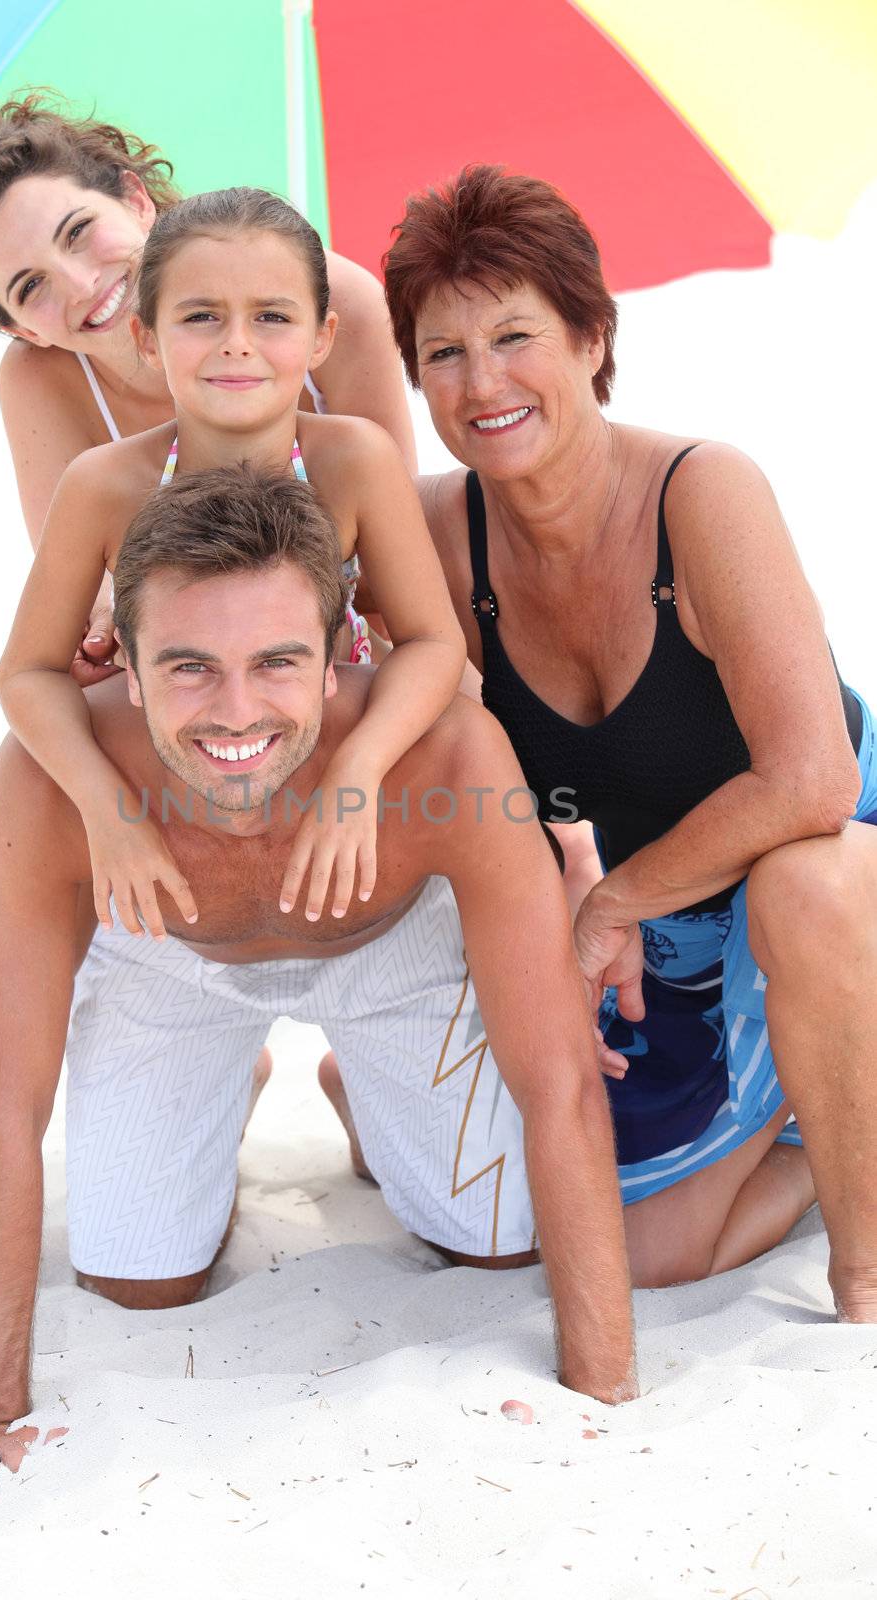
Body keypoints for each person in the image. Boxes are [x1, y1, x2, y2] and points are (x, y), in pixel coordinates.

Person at [0, 465, 636, 1497]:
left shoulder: (444, 756)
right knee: (137, 1282)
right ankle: (232, 1075)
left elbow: (560, 1084)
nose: (234, 711)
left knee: (496, 1248)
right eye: (186, 667)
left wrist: (603, 1389)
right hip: (169, 955)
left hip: (386, 953)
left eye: (276, 662)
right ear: (123, 669)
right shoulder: (53, 776)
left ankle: (358, 1088)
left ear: (329, 664)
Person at [0, 94, 418, 1255]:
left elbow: (410, 548)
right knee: (1, 865)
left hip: (337, 674)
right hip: (174, 693)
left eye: (80, 233)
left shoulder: (327, 299)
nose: (76, 286)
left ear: (138, 200)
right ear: (16, 326)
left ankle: (360, 1082)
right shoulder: (46, 388)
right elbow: (84, 612)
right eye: (27, 289)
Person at [382, 165, 877, 1312]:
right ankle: (819, 1119)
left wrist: (609, 903)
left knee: (810, 884)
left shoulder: (701, 491)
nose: (480, 381)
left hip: (831, 852)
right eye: (441, 351)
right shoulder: (440, 534)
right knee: (629, 1248)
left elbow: (811, 777)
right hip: (676, 905)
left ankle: (861, 1264)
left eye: (515, 336)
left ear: (592, 337)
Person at [0, 185, 465, 935]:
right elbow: (27, 671)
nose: (236, 343)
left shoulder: (352, 460)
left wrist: (357, 772)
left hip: (338, 735)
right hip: (183, 758)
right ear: (149, 339)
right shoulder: (103, 486)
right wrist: (108, 813)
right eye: (201, 317)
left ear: (321, 337)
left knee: (474, 741)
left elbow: (433, 640)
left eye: (272, 316)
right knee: (18, 780)